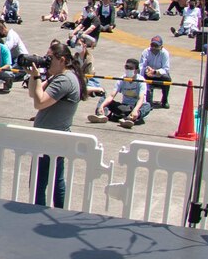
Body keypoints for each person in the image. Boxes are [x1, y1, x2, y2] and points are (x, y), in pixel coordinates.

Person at [25, 42, 81, 207]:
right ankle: (57, 211)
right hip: (51, 137)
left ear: (62, 60)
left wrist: (36, 77)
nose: (46, 61)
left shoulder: (64, 79)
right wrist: (33, 76)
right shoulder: (58, 77)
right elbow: (33, 93)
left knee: (39, 181)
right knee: (54, 179)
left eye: (50, 58)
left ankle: (42, 210)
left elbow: (39, 102)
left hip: (52, 138)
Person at [89, 58, 146, 126]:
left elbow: (141, 98)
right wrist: (102, 106)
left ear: (136, 70)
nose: (128, 70)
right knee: (104, 99)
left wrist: (135, 110)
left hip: (135, 107)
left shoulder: (141, 81)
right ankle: (101, 115)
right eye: (126, 67)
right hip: (124, 107)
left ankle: (131, 118)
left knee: (147, 105)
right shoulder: (122, 79)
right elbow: (112, 96)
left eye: (131, 68)